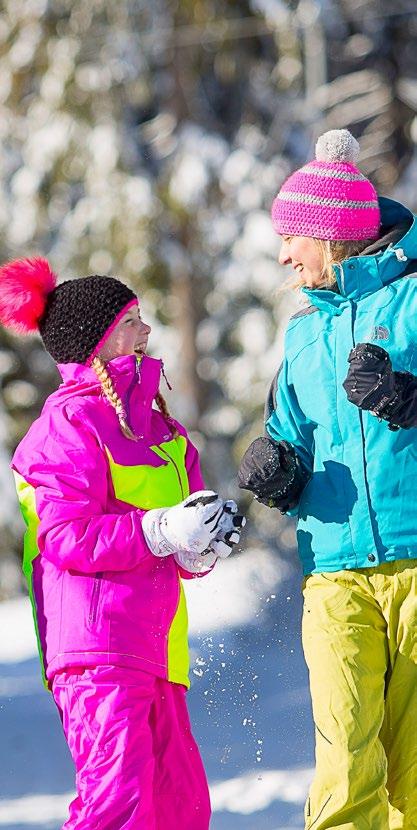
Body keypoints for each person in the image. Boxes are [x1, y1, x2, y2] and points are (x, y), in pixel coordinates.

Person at [3, 257, 245, 830]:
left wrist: (202, 544)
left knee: (180, 809)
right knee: (119, 807)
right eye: (131, 319)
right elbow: (62, 535)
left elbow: (177, 540)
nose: (145, 330)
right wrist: (160, 530)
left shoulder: (162, 429)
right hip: (96, 647)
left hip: (160, 649)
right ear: (99, 341)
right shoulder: (69, 423)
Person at [238, 129, 417, 829]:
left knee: (410, 768)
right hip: (333, 570)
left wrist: (409, 397)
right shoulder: (301, 336)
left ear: (331, 235)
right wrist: (277, 470)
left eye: (291, 237)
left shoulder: (411, 305)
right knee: (344, 756)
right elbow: (290, 436)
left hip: (414, 559)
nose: (283, 254)